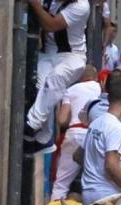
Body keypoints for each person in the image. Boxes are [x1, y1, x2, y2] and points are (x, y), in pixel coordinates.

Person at [24, 0, 92, 154]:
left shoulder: (81, 5)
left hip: (72, 56)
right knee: (40, 87)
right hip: (48, 54)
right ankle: (43, 139)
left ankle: (31, 125)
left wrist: (35, 5)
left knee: (56, 77)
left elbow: (51, 25)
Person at [81, 77, 121, 204]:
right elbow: (111, 165)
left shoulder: (95, 123)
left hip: (88, 193)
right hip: (108, 195)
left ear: (108, 98)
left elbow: (78, 156)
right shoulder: (117, 128)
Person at [51, 65, 100, 201]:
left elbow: (61, 120)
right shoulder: (99, 88)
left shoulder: (71, 90)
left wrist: (56, 109)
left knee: (61, 183)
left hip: (75, 133)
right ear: (95, 77)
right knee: (97, 181)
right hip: (95, 135)